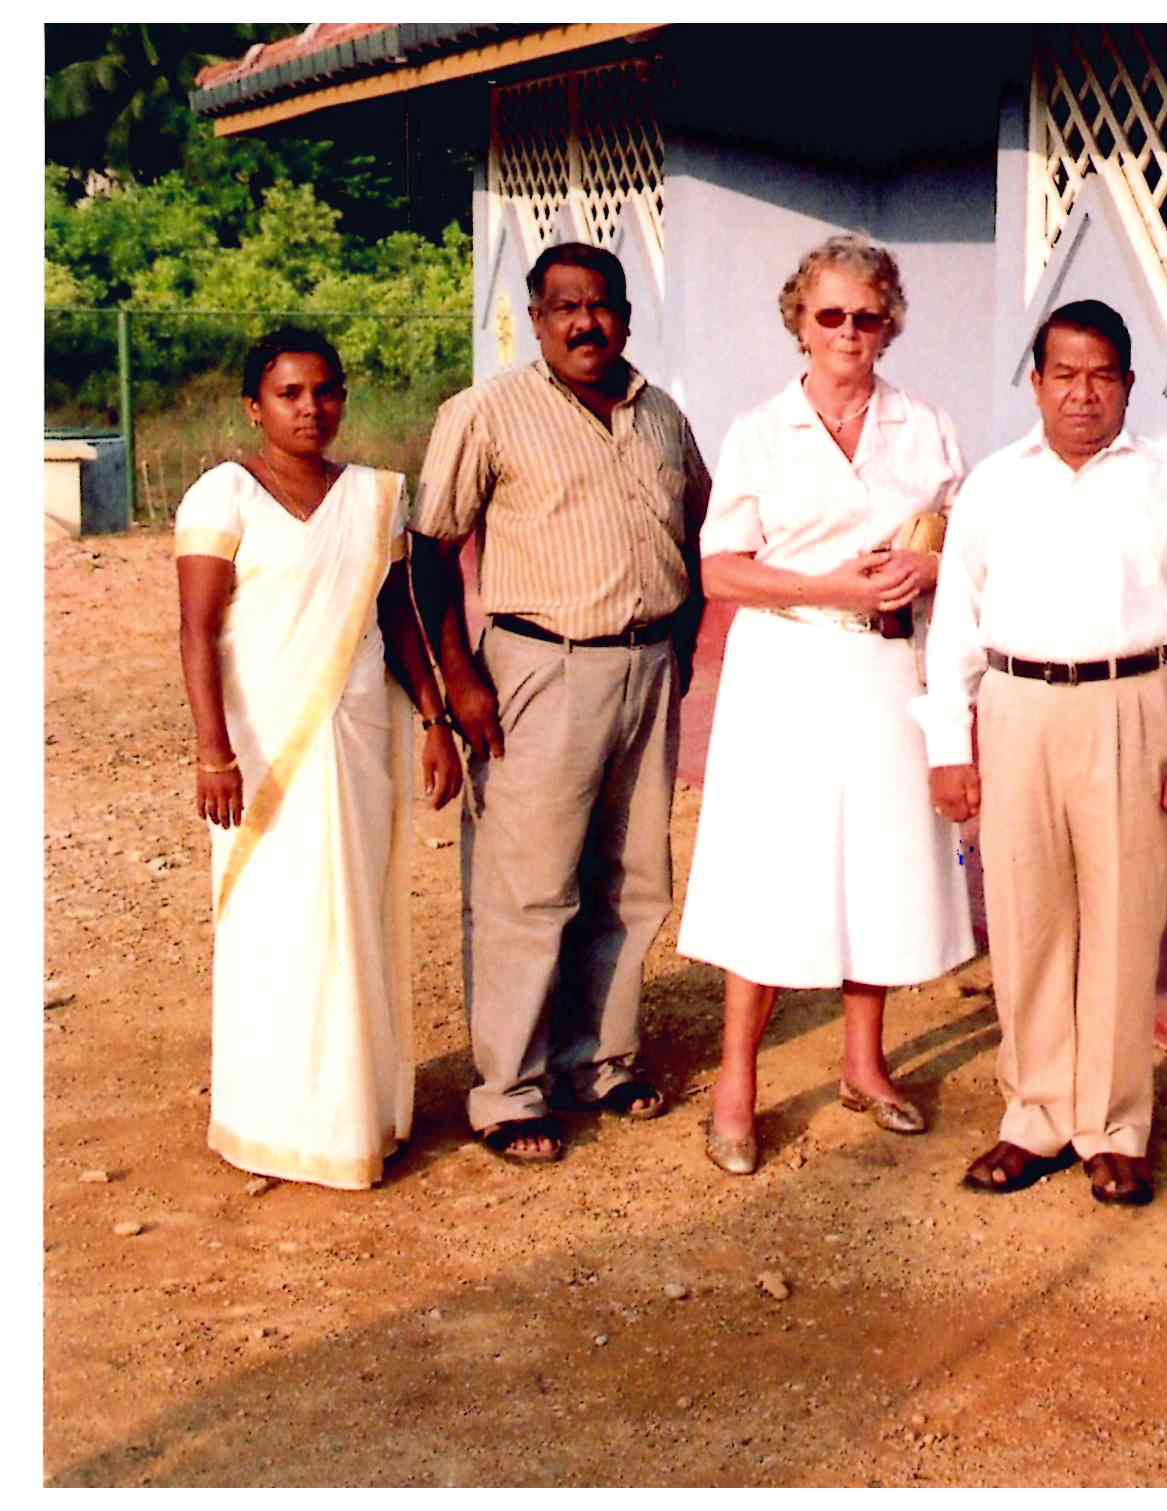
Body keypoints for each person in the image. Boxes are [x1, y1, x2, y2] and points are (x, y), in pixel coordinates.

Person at [920, 299, 1167, 1207]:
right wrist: (951, 740)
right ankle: (1033, 1114)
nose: (1082, 393)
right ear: (1036, 382)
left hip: (1130, 704)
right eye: (1064, 373)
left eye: (1102, 374)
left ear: (1129, 384)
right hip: (1017, 705)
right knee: (1025, 919)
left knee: (1121, 920)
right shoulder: (991, 485)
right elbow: (955, 625)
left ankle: (1113, 1125)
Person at [679, 235, 974, 1175]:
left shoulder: (923, 425)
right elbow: (719, 564)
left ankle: (863, 1062)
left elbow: (963, 537)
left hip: (890, 674)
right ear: (799, 322)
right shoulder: (760, 431)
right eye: (831, 315)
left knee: (879, 866)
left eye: (867, 316)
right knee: (776, 868)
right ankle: (737, 1084)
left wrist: (932, 563)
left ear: (890, 325)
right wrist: (833, 589)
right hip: (787, 672)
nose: (849, 332)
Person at [410, 242, 710, 1164]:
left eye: (602, 305)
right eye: (563, 307)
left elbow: (693, 534)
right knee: (528, 886)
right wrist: (461, 680)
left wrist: (681, 649)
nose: (585, 323)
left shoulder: (662, 416)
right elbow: (428, 552)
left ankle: (600, 1059)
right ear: (536, 318)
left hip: (644, 666)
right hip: (538, 667)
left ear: (626, 312)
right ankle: (509, 1088)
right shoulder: (487, 413)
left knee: (631, 880)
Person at [176, 326, 463, 1190]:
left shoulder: (374, 497)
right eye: (290, 394)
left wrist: (434, 719)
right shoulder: (222, 495)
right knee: (276, 923)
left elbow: (399, 618)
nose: (311, 409)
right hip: (263, 750)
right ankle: (274, 1119)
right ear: (253, 407)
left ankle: (359, 1112)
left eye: (326, 390)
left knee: (355, 911)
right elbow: (195, 631)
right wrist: (212, 752)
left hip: (359, 733)